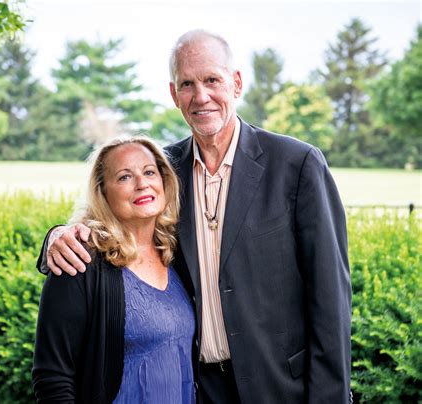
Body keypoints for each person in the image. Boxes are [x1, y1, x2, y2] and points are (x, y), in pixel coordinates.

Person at [38, 30, 352, 403]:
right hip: (200, 389)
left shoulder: (296, 165)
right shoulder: (164, 172)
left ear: (236, 83)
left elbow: (330, 299)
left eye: (212, 80)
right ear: (174, 95)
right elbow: (107, 217)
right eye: (187, 84)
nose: (201, 96)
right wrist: (57, 236)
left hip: (281, 388)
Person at [32, 137, 196, 403]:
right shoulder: (79, 260)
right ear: (102, 192)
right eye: (124, 177)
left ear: (164, 180)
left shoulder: (177, 253)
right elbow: (52, 377)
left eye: (149, 172)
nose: (142, 184)